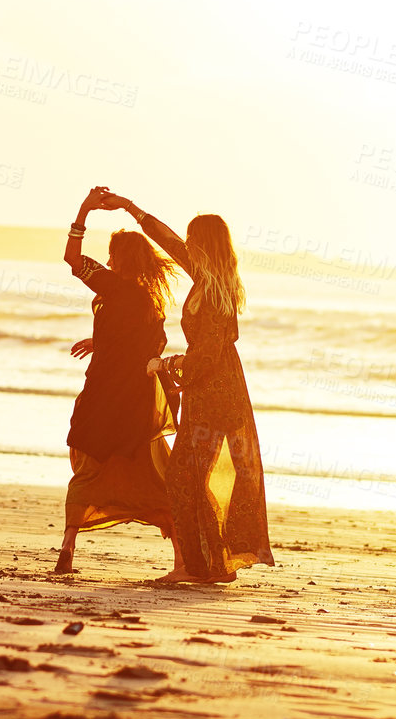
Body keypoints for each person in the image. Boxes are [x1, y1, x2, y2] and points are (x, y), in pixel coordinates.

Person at [102, 192, 273, 583]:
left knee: (184, 476)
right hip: (208, 391)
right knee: (194, 477)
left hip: (216, 393)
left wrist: (164, 364)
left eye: (192, 238)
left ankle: (199, 567)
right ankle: (211, 565)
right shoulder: (208, 279)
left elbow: (207, 355)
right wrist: (131, 209)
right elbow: (167, 241)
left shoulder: (214, 293)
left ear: (204, 244)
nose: (185, 243)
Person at [57, 187, 183, 576]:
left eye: (112, 256)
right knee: (151, 472)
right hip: (136, 400)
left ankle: (68, 546)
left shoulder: (111, 286)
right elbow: (148, 348)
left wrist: (84, 210)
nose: (107, 260)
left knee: (88, 466)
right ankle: (181, 557)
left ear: (118, 260)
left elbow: (72, 258)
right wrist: (103, 340)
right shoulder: (151, 303)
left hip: (100, 394)